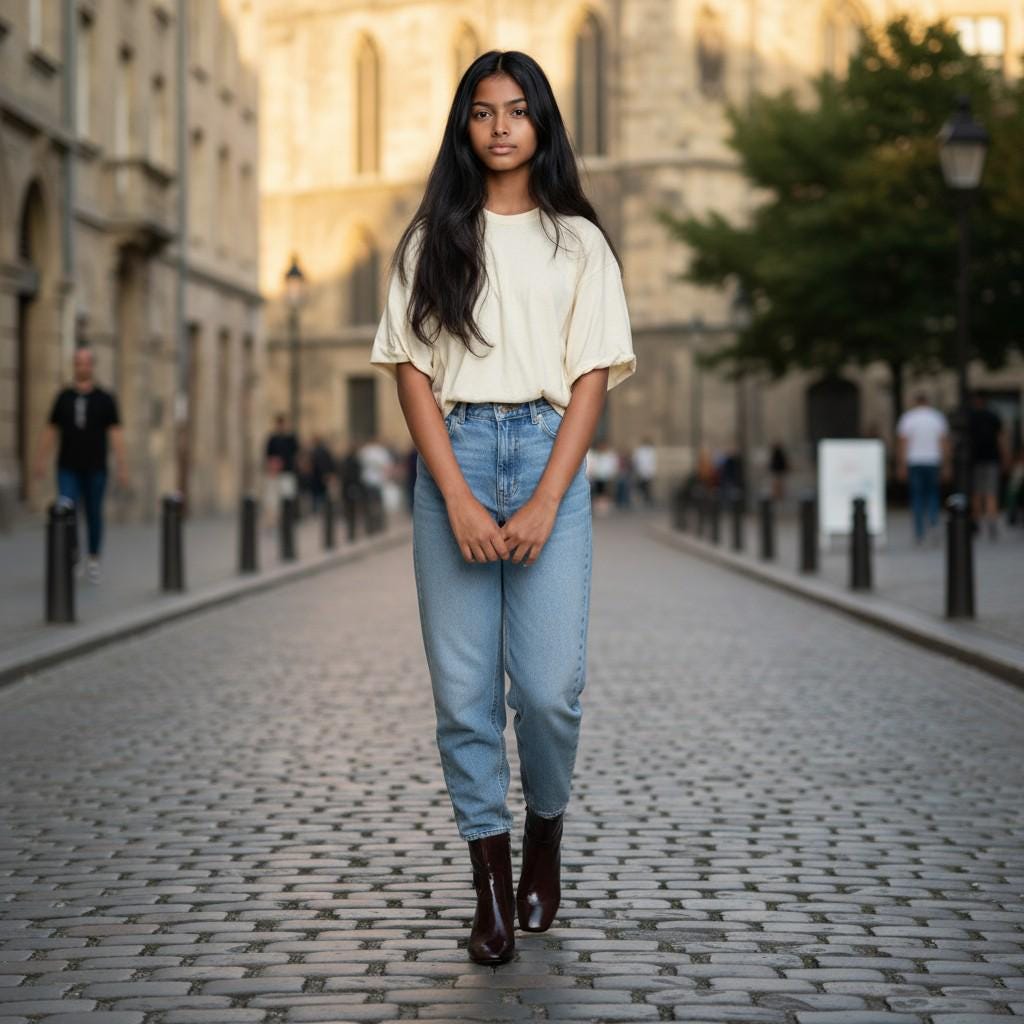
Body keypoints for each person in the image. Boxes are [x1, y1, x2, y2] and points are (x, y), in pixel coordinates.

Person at [368, 51, 635, 966]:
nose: (501, 126)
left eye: (518, 111)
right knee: (464, 698)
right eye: (484, 112)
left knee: (551, 692)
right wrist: (456, 495)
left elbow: (591, 377)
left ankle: (545, 831)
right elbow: (411, 374)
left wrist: (547, 497)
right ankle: (487, 887)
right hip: (459, 452)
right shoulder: (428, 239)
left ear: (542, 124)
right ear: (465, 126)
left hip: (547, 455)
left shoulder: (580, 243)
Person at [33, 346, 128, 582]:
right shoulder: (63, 397)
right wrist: (41, 460)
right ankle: (72, 555)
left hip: (96, 467)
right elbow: (50, 429)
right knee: (67, 510)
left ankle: (93, 558)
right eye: (78, 362)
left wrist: (122, 465)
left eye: (86, 362)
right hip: (68, 466)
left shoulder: (105, 399)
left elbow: (115, 433)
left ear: (92, 366)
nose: (82, 366)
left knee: (94, 513)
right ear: (74, 366)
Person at [896, 391, 950, 545]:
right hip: (933, 460)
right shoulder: (937, 418)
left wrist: (901, 464)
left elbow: (903, 442)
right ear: (927, 402)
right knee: (933, 495)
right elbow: (943, 442)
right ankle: (933, 525)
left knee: (917, 497)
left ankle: (919, 532)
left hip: (915, 461)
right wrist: (946, 464)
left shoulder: (908, 418)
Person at [968, 392, 1010, 540]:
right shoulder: (993, 417)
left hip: (975, 460)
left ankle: (978, 523)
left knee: (977, 493)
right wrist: (1005, 457)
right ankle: (991, 524)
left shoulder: (970, 418)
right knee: (991, 492)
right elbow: (1001, 438)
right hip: (992, 459)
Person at [264, 414, 299, 523]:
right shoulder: (272, 438)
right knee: (273, 498)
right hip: (274, 473)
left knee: (287, 495)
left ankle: (288, 518)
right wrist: (272, 466)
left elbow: (296, 452)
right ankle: (274, 519)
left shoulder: (291, 438)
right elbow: (268, 455)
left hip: (288, 472)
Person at [632, 437, 657, 507]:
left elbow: (652, 462)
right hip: (641, 472)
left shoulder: (651, 451)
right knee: (641, 487)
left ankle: (647, 500)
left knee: (647, 487)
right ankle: (641, 500)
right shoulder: (640, 451)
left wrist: (652, 471)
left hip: (648, 472)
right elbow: (636, 461)